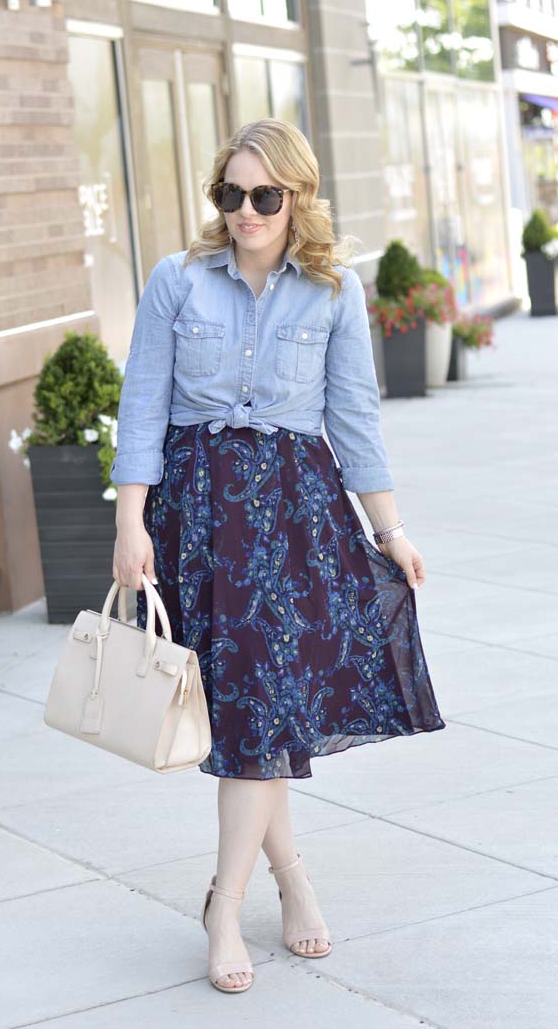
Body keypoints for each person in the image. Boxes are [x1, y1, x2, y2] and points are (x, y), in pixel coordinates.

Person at [111, 118, 446, 994]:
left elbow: (355, 418)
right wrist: (129, 523)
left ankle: (231, 899)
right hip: (200, 516)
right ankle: (279, 886)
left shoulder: (334, 292)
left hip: (298, 520)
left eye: (264, 195)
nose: (246, 212)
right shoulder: (177, 281)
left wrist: (390, 530)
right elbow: (143, 404)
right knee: (253, 709)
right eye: (231, 194)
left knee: (263, 707)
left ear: (296, 194)